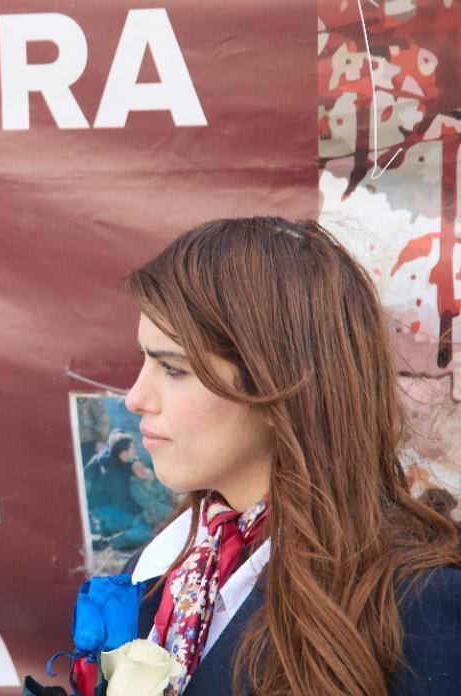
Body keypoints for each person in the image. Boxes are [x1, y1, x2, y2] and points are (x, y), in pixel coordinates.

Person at [118, 217, 461, 695]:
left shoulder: (419, 606)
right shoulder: (159, 571)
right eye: (144, 360)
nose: (135, 397)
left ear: (279, 384)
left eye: (173, 368)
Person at [83, 431, 141, 537]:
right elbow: (121, 501)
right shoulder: (113, 472)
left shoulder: (119, 460)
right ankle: (101, 529)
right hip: (101, 508)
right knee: (134, 522)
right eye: (133, 449)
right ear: (123, 454)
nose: (135, 452)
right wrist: (139, 512)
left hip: (105, 505)